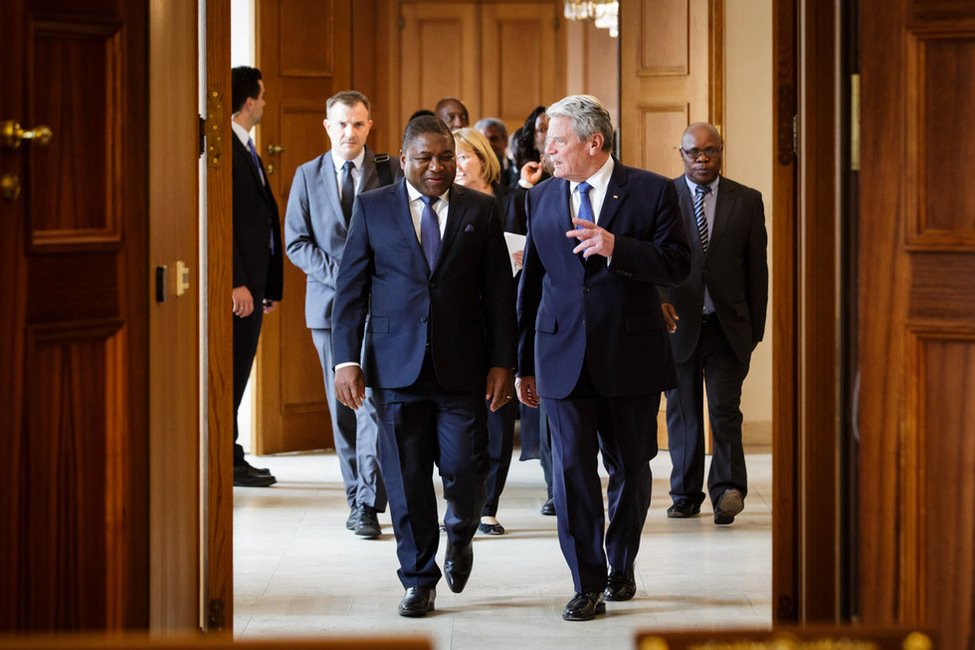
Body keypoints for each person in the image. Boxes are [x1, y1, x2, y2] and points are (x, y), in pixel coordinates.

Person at [331, 115, 516, 618]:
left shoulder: (480, 208)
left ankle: (460, 532)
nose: (437, 168)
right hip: (394, 370)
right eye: (425, 158)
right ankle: (418, 579)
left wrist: (503, 362)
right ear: (405, 157)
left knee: (465, 469)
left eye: (446, 158)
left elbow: (499, 293)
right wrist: (346, 359)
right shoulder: (373, 209)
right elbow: (350, 290)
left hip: (463, 367)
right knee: (407, 479)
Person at [516, 95, 691, 621]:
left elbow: (679, 264)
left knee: (632, 468)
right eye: (548, 141)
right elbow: (532, 283)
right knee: (570, 470)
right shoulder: (542, 197)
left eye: (558, 140)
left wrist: (619, 248)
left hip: (631, 353)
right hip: (559, 354)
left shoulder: (653, 190)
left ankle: (621, 562)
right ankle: (586, 581)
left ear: (594, 143)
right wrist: (523, 360)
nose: (548, 150)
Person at [284, 90, 400, 538]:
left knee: (371, 404)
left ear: (369, 126)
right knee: (344, 406)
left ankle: (369, 503)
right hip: (330, 307)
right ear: (327, 126)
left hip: (383, 304)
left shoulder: (389, 171)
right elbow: (296, 241)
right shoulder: (306, 175)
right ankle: (357, 495)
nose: (349, 132)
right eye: (341, 124)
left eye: (358, 123)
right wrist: (344, 278)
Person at [660, 122, 769, 525]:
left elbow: (757, 269)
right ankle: (686, 494)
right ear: (682, 153)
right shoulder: (664, 196)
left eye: (710, 151)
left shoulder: (747, 200)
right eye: (693, 152)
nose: (702, 158)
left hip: (728, 326)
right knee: (683, 411)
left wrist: (754, 328)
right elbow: (653, 260)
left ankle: (726, 490)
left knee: (724, 409)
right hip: (678, 324)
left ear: (721, 152)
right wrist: (660, 302)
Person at [452, 127, 527, 536]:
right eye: (453, 157)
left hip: (508, 320)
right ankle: (464, 497)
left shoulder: (515, 200)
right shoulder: (447, 204)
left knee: (499, 416)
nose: (457, 165)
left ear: (484, 159)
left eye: (464, 157)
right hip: (462, 325)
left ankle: (488, 506)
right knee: (465, 419)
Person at [230, 66, 283, 488]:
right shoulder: (225, 149)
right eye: (262, 96)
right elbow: (222, 223)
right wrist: (236, 282)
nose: (264, 103)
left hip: (255, 282)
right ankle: (227, 456)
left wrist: (268, 287)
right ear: (249, 101)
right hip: (239, 286)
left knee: (241, 368)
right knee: (231, 370)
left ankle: (233, 453)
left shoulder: (246, 146)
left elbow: (261, 221)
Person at [474, 117, 517, 185]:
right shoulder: (473, 173)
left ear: (505, 141)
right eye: (483, 140)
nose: (488, 145)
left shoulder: (517, 169)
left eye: (493, 139)